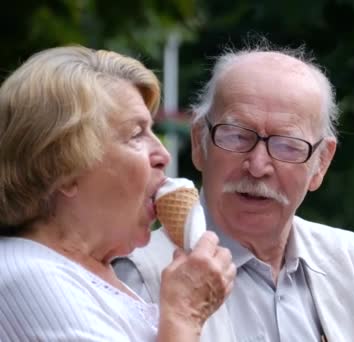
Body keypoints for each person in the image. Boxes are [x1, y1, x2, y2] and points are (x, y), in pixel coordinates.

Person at [114, 42, 354, 341]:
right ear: (200, 142)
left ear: (321, 163)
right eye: (237, 136)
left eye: (287, 145)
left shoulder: (351, 261)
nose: (257, 165)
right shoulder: (138, 275)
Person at [0, 46, 236, 341]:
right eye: (136, 134)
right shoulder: (31, 277)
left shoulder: (88, 272)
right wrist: (184, 314)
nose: (163, 154)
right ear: (62, 169)